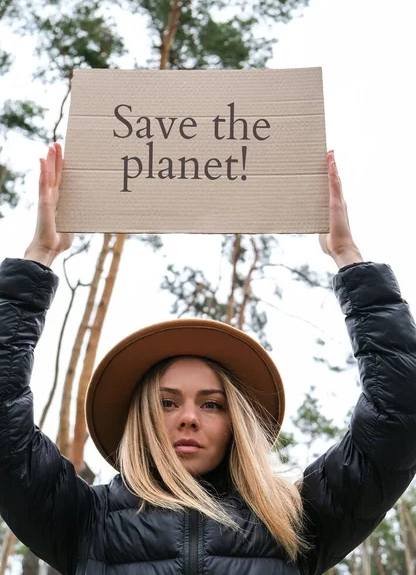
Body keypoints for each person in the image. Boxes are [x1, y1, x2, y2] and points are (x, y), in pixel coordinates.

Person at [0, 143, 416, 575]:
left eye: (212, 403)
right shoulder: (84, 522)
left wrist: (348, 258)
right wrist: (40, 256)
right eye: (166, 402)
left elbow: (399, 415)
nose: (189, 418)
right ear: (141, 417)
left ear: (235, 420)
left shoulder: (296, 520)